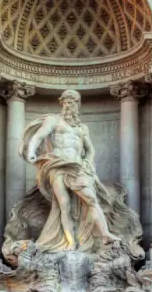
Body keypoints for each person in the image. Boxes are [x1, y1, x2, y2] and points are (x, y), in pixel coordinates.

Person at [23, 89, 115, 252]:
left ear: (78, 105)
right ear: (62, 103)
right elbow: (38, 137)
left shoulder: (82, 128)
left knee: (91, 199)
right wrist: (31, 151)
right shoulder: (53, 120)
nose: (69, 105)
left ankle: (105, 233)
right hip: (57, 165)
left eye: (73, 102)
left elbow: (90, 150)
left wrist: (88, 161)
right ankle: (70, 242)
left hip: (77, 167)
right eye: (66, 101)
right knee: (64, 205)